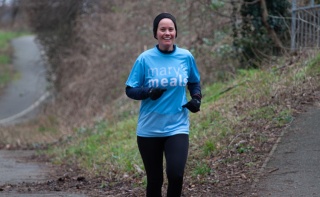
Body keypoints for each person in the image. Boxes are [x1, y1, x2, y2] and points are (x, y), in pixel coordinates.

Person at [125, 12, 202, 197]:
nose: (167, 33)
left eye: (170, 29)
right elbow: (130, 89)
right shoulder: (144, 59)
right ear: (155, 33)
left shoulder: (186, 56)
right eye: (162, 29)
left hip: (177, 126)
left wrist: (196, 98)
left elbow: (193, 82)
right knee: (155, 181)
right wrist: (148, 92)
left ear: (175, 32)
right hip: (149, 129)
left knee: (176, 175)